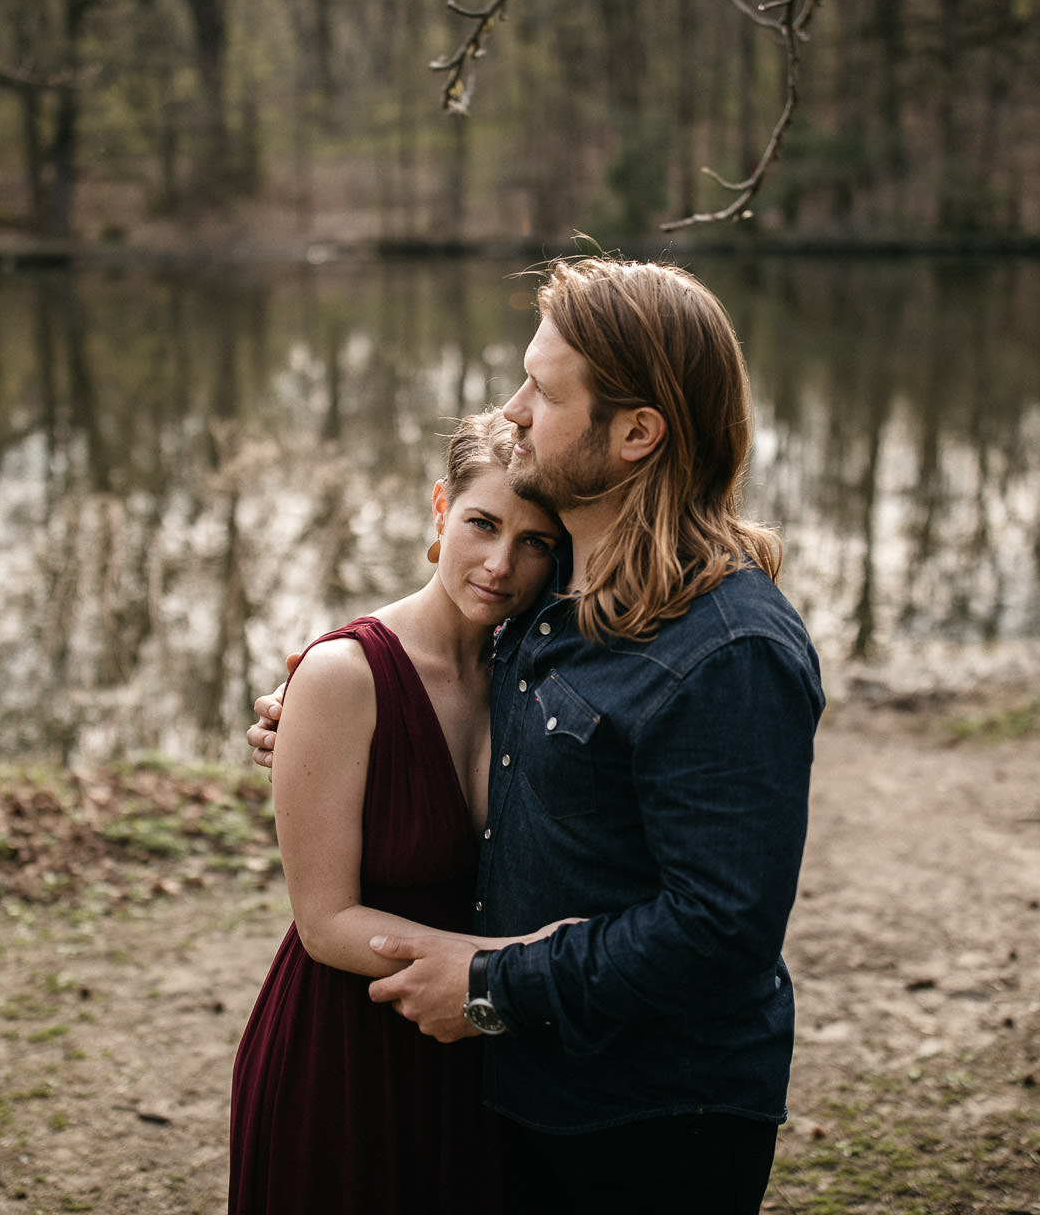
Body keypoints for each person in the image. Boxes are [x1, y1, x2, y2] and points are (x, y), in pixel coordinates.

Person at [249, 257, 824, 1215]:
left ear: (636, 433)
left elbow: (720, 930)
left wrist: (493, 983)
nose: (513, 411)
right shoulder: (554, 593)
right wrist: (326, 701)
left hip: (649, 1120)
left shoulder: (729, 650)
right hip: (512, 1098)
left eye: (543, 393)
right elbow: (446, 653)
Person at [227, 409, 567, 1215]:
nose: (500, 564)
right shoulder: (343, 675)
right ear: (441, 509)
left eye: (534, 542)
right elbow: (324, 922)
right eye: (482, 524)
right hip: (350, 1052)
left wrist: (501, 987)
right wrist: (516, 965)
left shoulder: (534, 670)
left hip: (479, 1047)